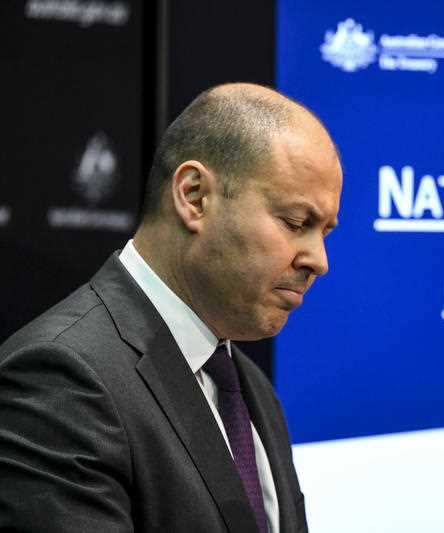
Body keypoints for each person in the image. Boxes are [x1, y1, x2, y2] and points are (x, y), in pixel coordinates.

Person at [0, 83, 342, 533]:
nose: (319, 260)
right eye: (296, 222)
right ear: (194, 196)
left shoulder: (250, 387)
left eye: (325, 232)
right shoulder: (62, 377)